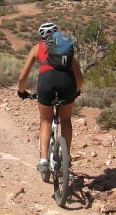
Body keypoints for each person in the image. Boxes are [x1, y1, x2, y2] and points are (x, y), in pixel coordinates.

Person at [17, 22, 83, 182]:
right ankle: (66, 158)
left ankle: (44, 160)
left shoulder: (37, 48)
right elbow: (79, 76)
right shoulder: (65, 49)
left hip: (46, 82)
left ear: (41, 36)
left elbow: (22, 77)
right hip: (67, 83)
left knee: (46, 120)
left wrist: (22, 92)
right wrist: (77, 91)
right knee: (66, 119)